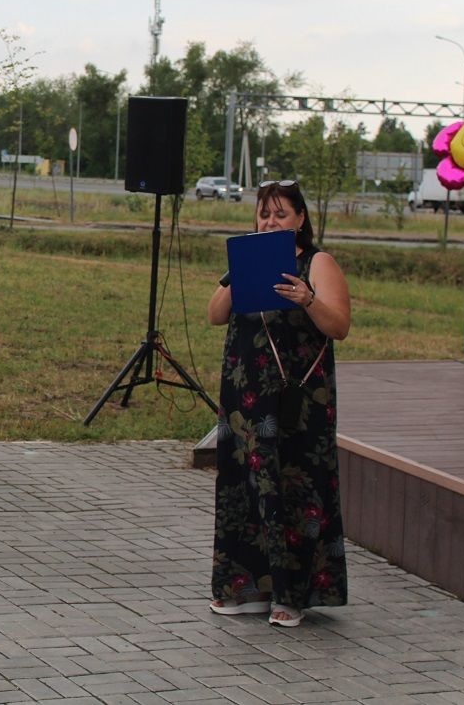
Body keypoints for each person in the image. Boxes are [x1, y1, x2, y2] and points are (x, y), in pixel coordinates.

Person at [206, 180, 351, 627]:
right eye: (264, 214)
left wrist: (307, 298)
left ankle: (293, 595)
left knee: (293, 489)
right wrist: (239, 275)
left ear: (300, 219)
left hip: (296, 401)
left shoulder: (316, 262)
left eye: (280, 214)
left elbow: (340, 325)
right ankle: (245, 588)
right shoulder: (247, 258)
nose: (270, 221)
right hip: (245, 397)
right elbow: (214, 314)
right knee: (244, 488)